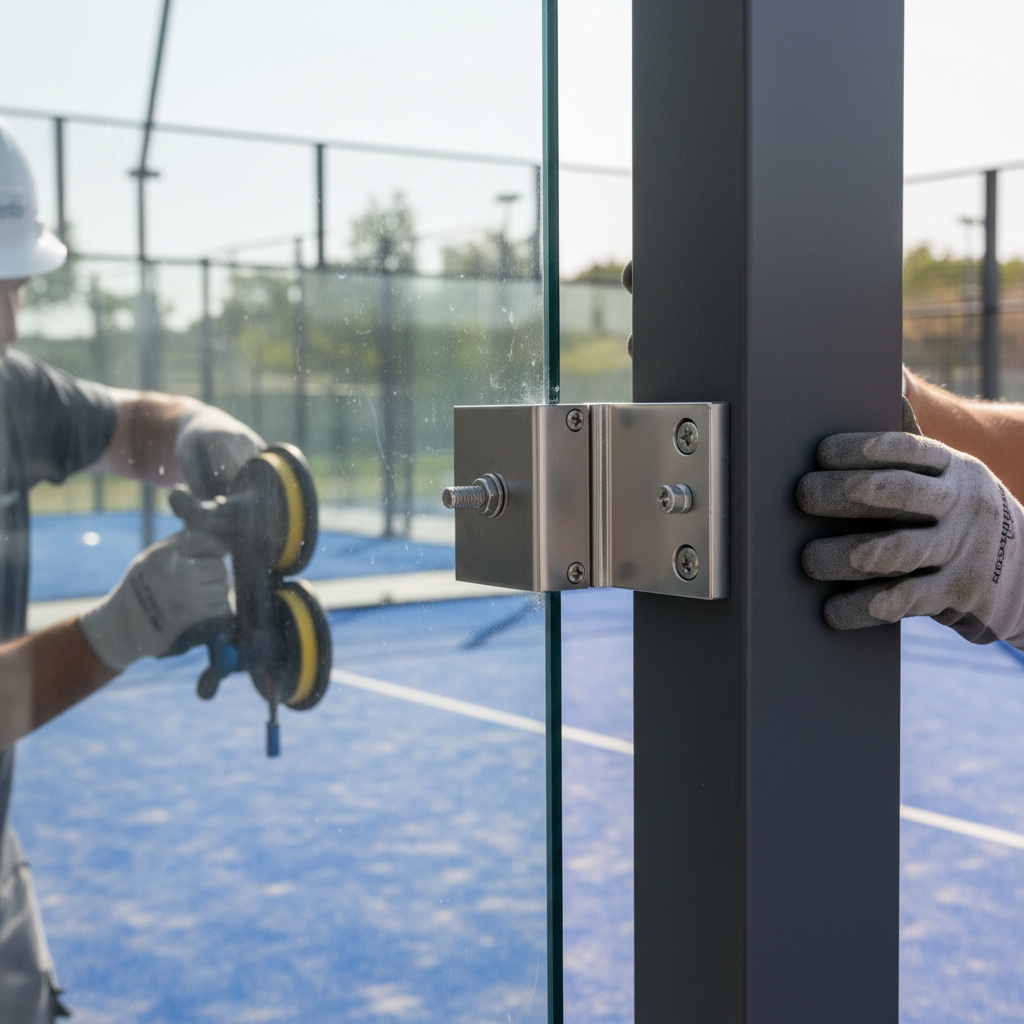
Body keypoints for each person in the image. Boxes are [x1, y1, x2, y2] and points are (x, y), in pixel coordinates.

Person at [0, 119, 265, 1020]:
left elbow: (129, 425)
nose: (6, 321)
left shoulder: (9, 388)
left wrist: (197, 435)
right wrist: (126, 627)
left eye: (15, 288)